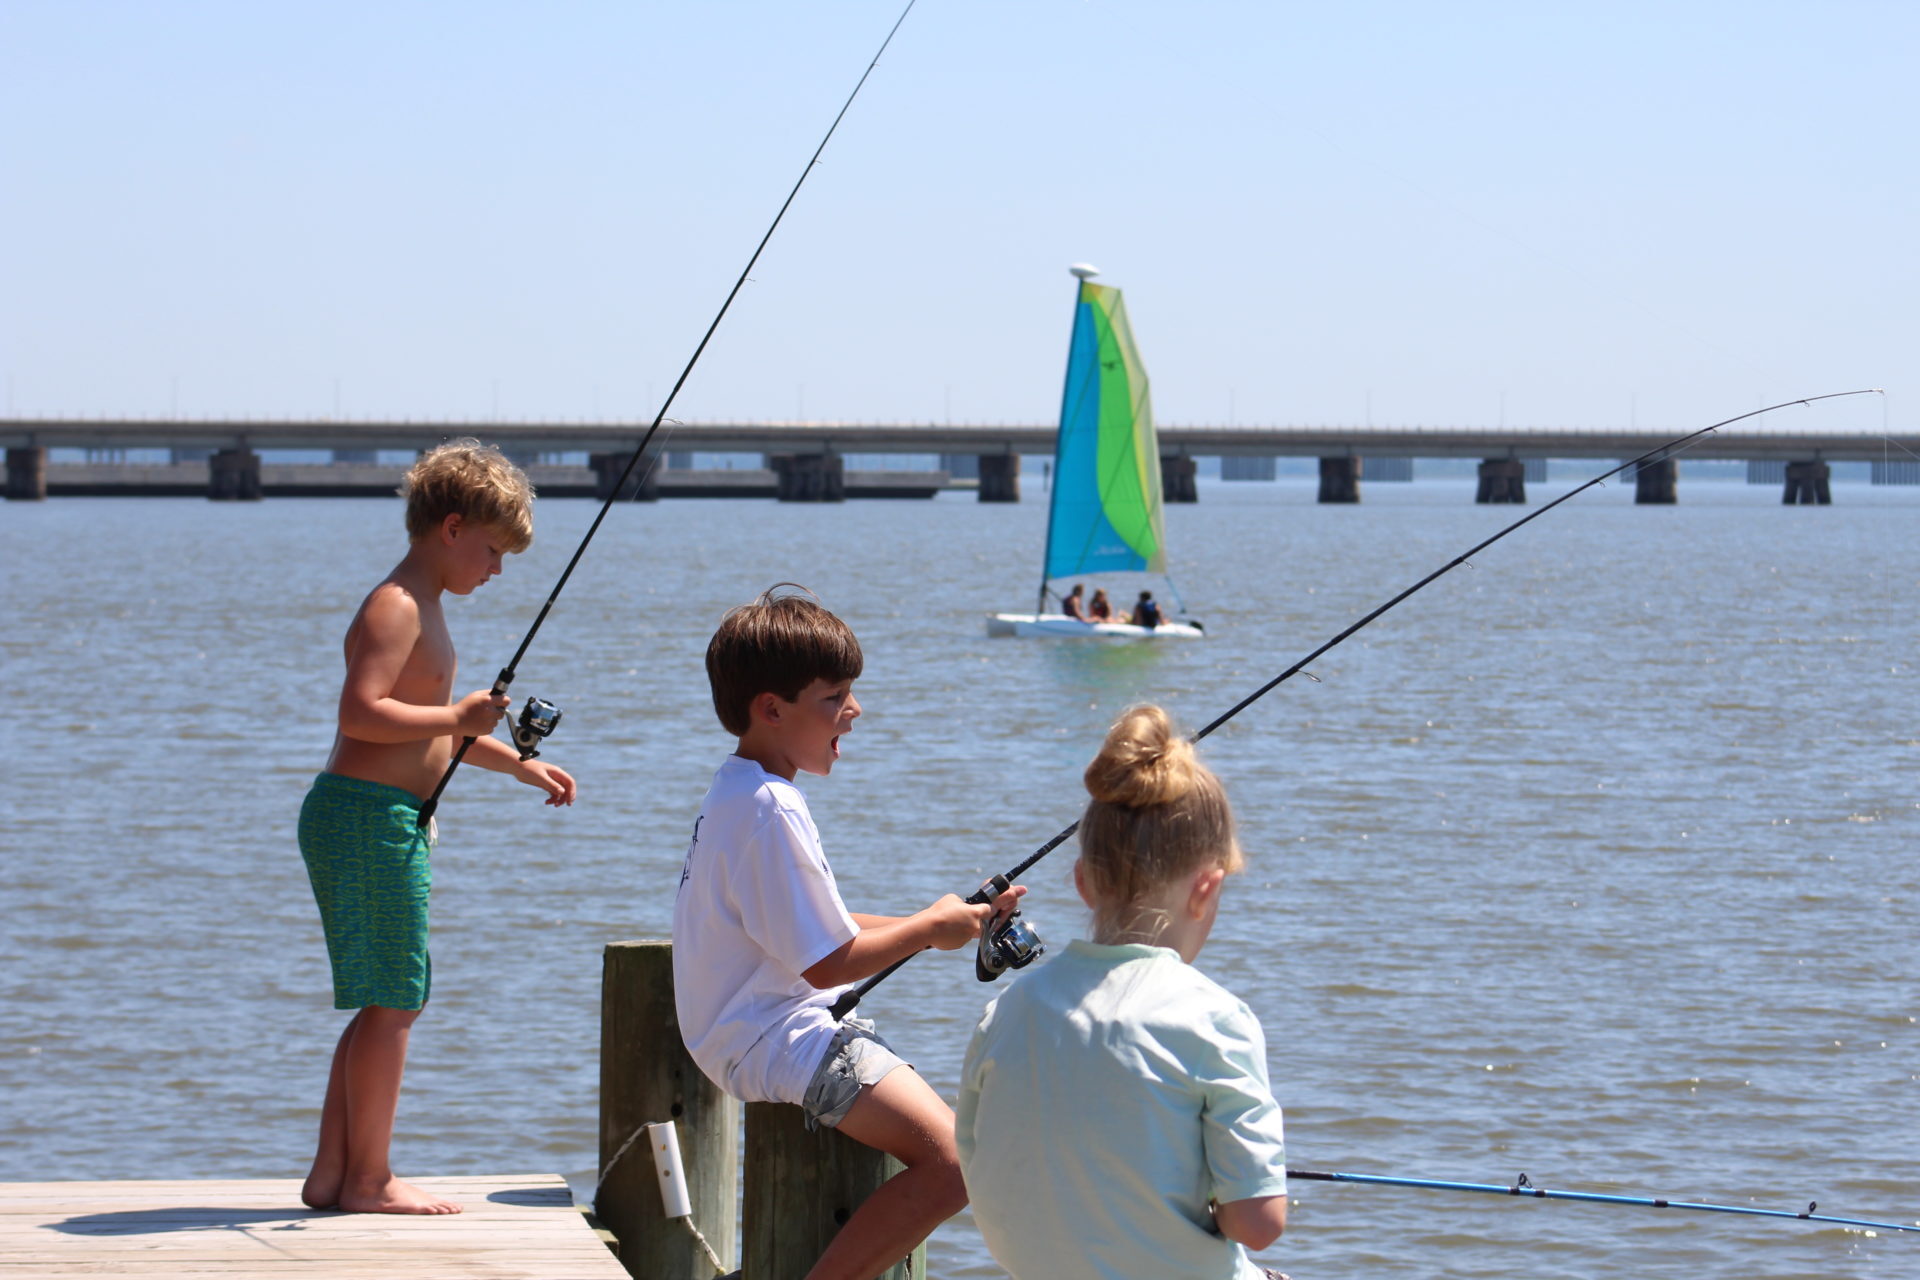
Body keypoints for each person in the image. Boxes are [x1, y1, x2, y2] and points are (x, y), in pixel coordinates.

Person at [675, 586, 1025, 1280]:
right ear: (772, 709)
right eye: (835, 697)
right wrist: (927, 931)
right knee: (957, 1162)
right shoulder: (772, 809)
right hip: (769, 1036)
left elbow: (815, 928)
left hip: (743, 1028)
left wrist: (946, 922)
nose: (855, 710)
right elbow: (829, 964)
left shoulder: (738, 789)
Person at [297, 439, 577, 1216]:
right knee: (397, 998)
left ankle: (332, 1173)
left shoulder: (425, 609)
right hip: (369, 819)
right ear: (452, 528)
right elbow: (361, 713)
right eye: (492, 551)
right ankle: (369, 1179)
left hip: (376, 817)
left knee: (385, 997)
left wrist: (515, 764)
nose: (496, 570)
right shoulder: (396, 606)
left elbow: (427, 731)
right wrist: (457, 713)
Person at [956, 705, 1288, 1280]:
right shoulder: (1216, 1020)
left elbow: (977, 1164)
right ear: (1206, 889)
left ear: (1084, 883)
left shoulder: (1006, 1013)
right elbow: (1259, 1224)